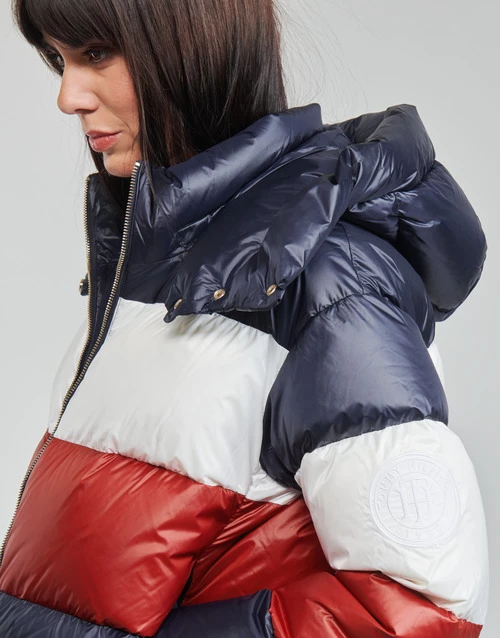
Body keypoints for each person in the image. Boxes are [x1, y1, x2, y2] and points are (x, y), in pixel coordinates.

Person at [0, 0, 489, 637]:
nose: (68, 98)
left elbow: (421, 610)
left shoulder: (328, 284)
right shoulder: (151, 269)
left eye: (96, 54)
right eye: (58, 60)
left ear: (192, 46)